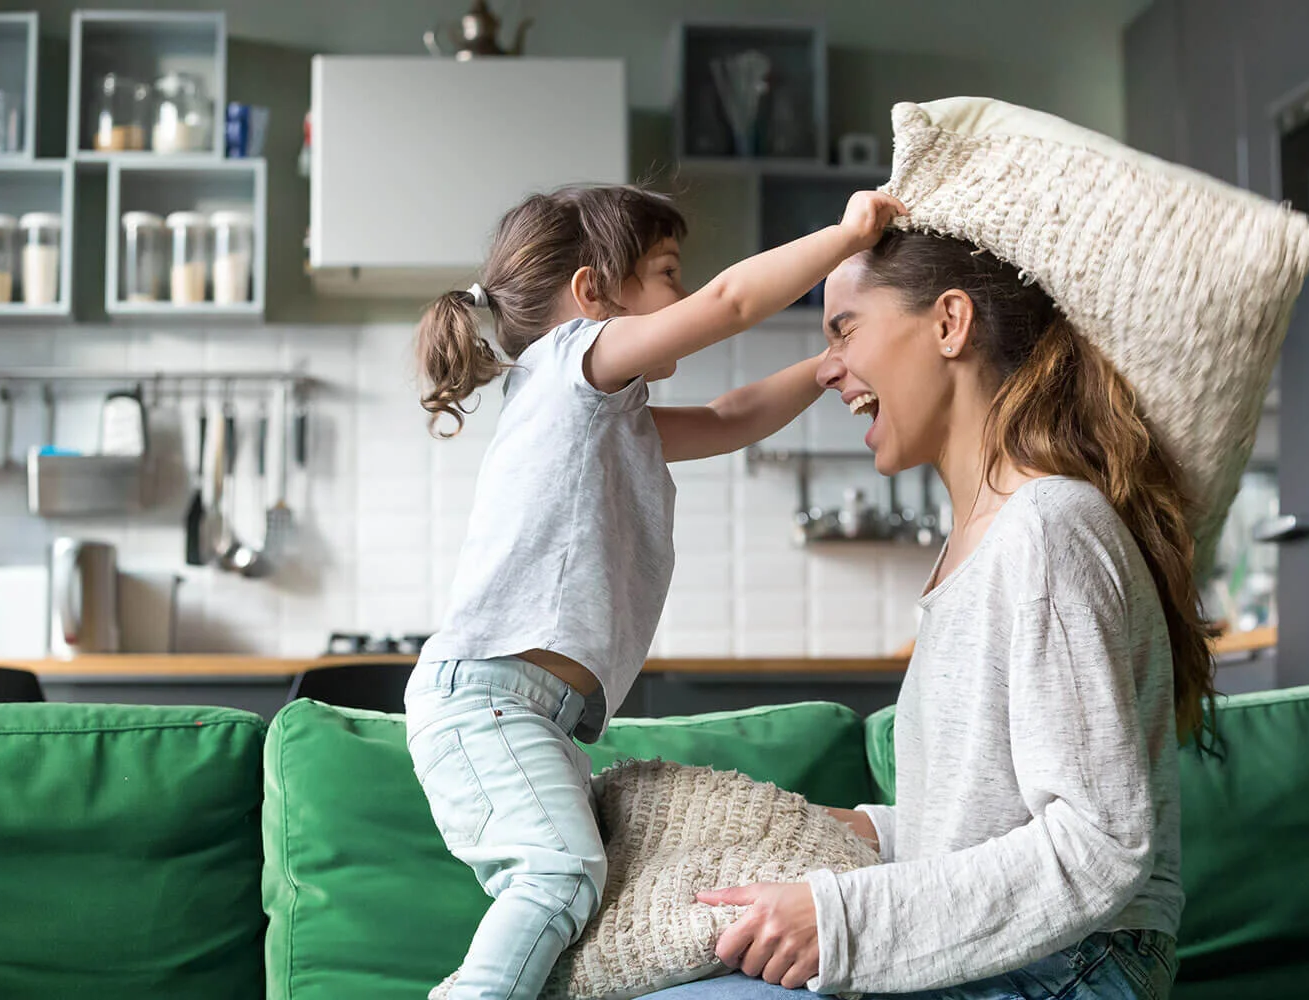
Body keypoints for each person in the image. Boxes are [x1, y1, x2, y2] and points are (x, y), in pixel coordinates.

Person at [661, 228, 1218, 1000]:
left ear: (950, 323)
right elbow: (985, 826)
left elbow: (1099, 844)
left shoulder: (1048, 527)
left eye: (844, 328)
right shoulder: (984, 543)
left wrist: (842, 917)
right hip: (1034, 955)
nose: (830, 368)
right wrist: (841, 835)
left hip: (1078, 967)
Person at [404, 184, 908, 1000]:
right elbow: (732, 300)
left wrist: (824, 369)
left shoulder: (608, 413)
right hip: (490, 702)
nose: (684, 291)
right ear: (592, 293)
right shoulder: (574, 365)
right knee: (558, 878)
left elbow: (730, 413)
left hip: (522, 709)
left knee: (563, 896)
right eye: (667, 271)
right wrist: (846, 236)